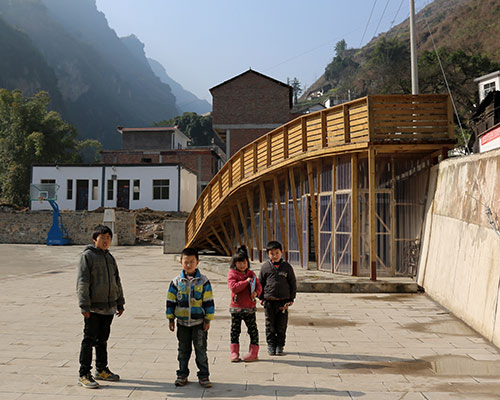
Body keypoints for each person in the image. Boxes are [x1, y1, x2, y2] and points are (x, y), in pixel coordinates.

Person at [76, 224, 125, 389]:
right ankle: (84, 373)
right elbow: (83, 281)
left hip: (109, 307)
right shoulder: (88, 256)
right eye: (102, 238)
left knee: (102, 340)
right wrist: (84, 305)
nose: (106, 241)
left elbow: (117, 280)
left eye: (108, 238)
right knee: (89, 340)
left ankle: (102, 369)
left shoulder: (110, 257)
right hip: (93, 307)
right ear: (94, 239)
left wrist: (120, 302)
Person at [166, 247, 214, 388]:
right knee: (183, 350)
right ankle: (182, 374)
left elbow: (209, 301)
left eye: (191, 262)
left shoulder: (203, 281)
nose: (188, 265)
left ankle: (204, 376)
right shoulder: (176, 282)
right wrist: (170, 318)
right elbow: (170, 301)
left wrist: (207, 319)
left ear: (197, 262)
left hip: (199, 323)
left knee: (201, 350)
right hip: (182, 323)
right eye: (186, 262)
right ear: (181, 262)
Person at [258, 240, 296, 356]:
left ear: (282, 252)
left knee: (281, 325)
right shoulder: (265, 267)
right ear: (268, 254)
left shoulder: (287, 267)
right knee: (270, 325)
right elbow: (260, 283)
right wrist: (261, 297)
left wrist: (291, 298)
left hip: (283, 302)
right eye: (272, 254)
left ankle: (280, 345)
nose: (274, 256)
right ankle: (271, 345)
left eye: (277, 253)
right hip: (269, 301)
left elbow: (292, 283)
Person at [227, 245, 262, 362]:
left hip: (250, 308)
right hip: (236, 308)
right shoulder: (232, 274)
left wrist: (256, 293)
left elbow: (259, 286)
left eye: (244, 262)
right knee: (235, 331)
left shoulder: (251, 274)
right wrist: (245, 282)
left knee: (252, 330)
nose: (242, 265)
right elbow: (234, 287)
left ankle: (253, 352)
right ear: (235, 264)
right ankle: (234, 353)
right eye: (239, 263)